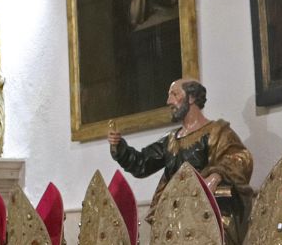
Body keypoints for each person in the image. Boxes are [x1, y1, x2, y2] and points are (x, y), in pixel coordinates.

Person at [108, 78, 254, 230]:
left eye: (174, 94)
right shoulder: (171, 139)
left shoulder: (217, 132)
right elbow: (142, 164)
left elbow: (240, 158)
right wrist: (119, 147)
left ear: (191, 98)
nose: (168, 101)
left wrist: (215, 176)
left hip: (207, 217)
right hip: (174, 221)